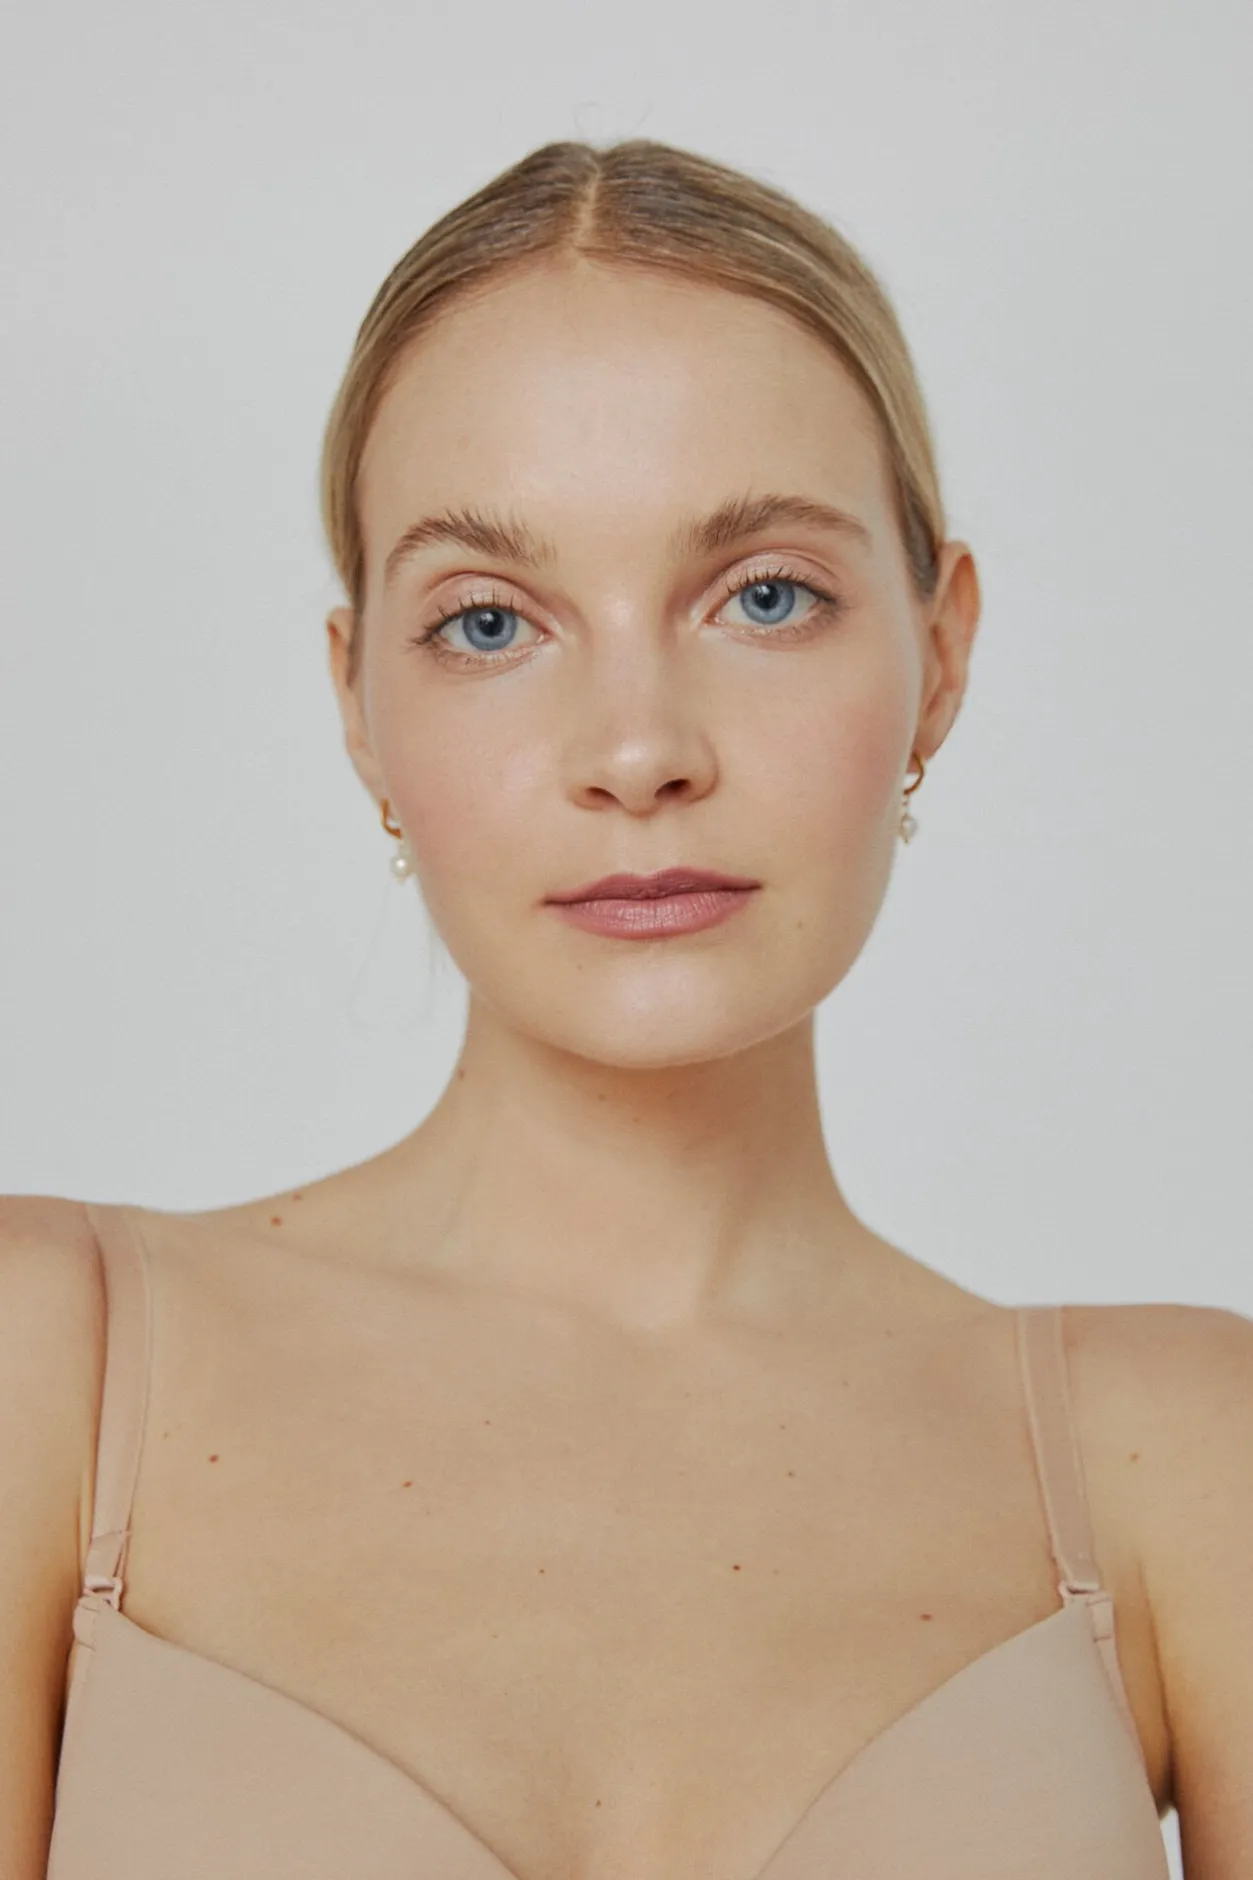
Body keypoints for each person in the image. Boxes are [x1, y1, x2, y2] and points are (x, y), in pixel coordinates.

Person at [4, 138, 1250, 1880]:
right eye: (490, 623)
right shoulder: (49, 1363)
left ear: (941, 656)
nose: (639, 749)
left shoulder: (1183, 1460)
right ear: (358, 706)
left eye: (765, 597)